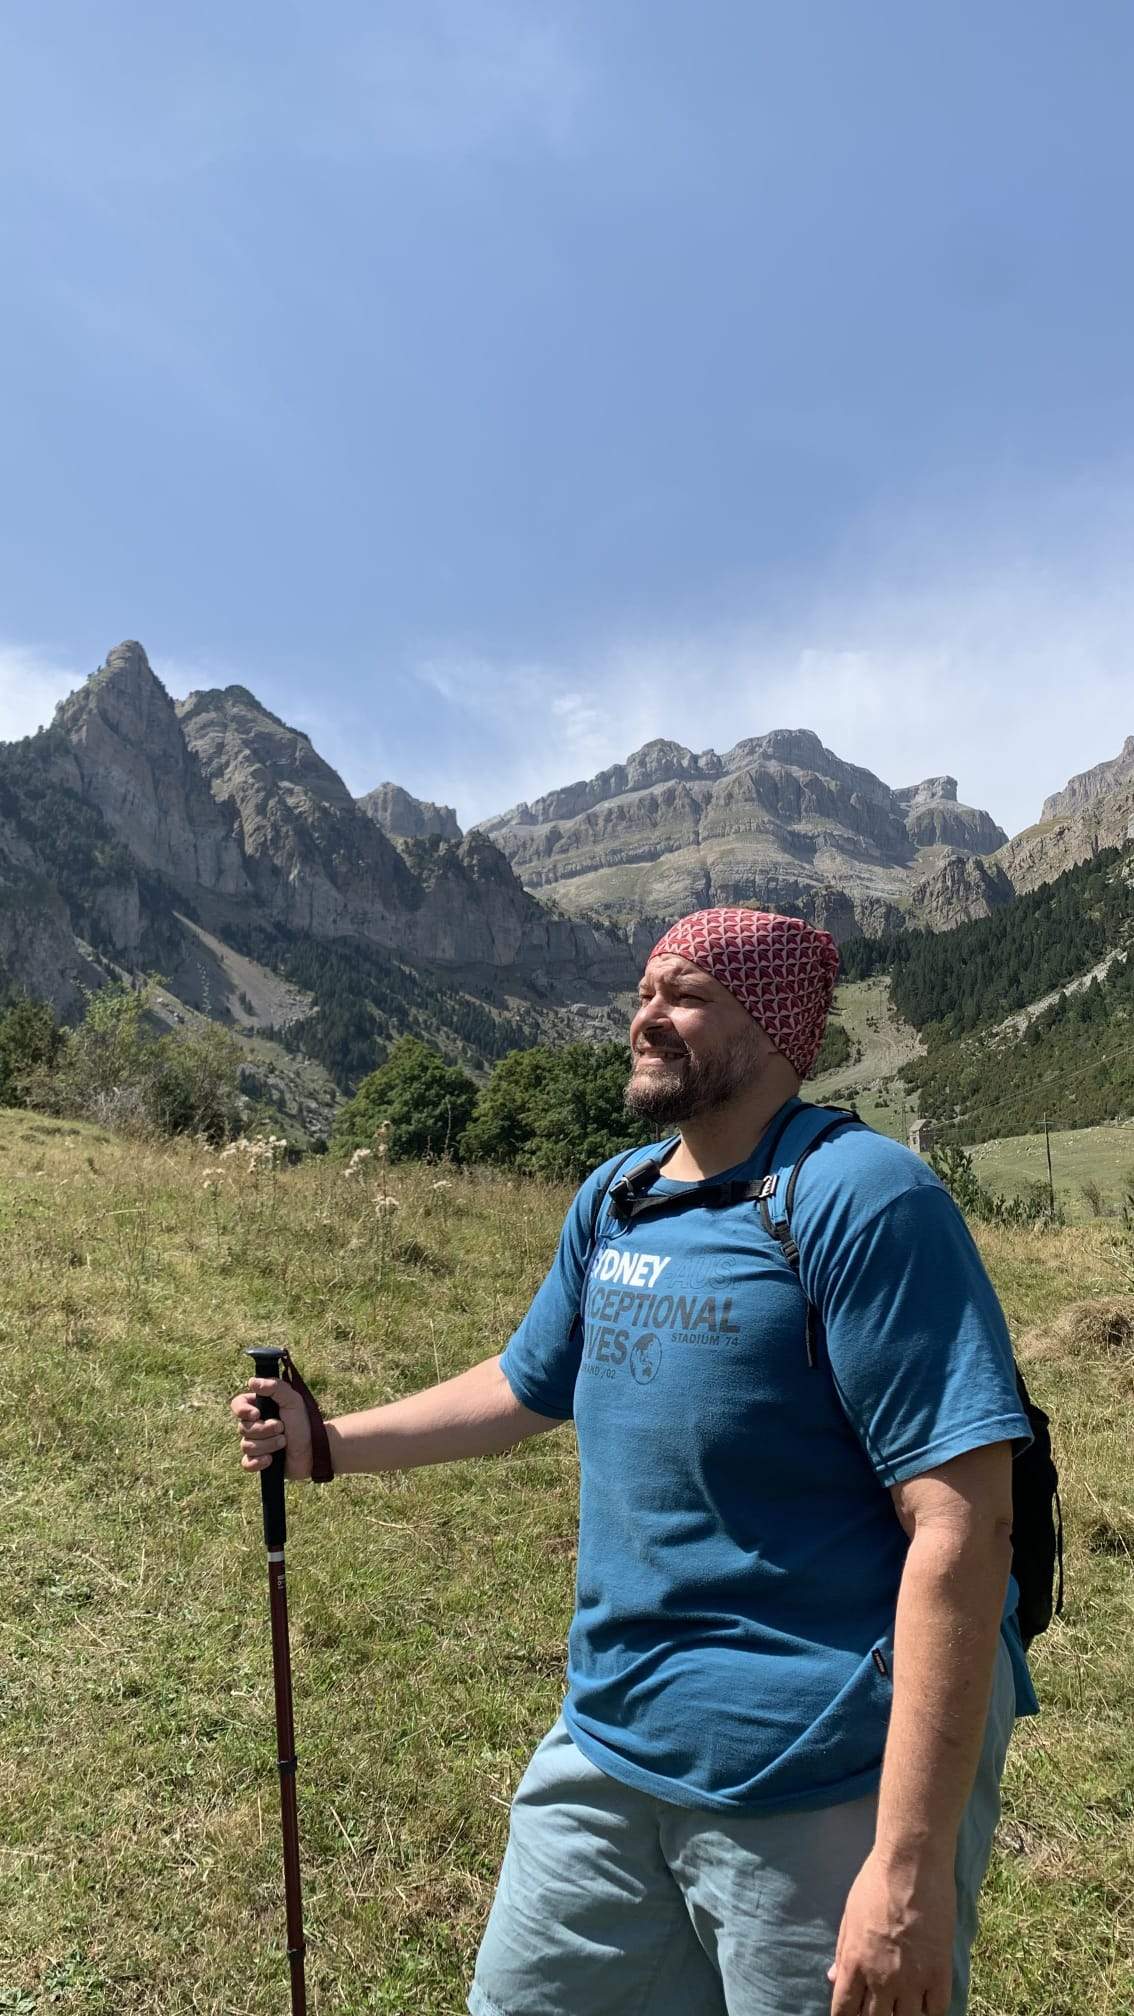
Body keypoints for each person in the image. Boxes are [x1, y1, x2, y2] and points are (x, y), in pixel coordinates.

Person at [231, 907, 1037, 2016]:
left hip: (820, 1766)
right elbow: (525, 1383)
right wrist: (327, 1445)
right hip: (610, 1743)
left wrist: (905, 1875)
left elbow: (964, 1524)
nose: (647, 1017)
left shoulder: (863, 1197)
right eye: (645, 991)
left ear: (775, 1026)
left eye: (687, 995)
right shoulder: (617, 1198)